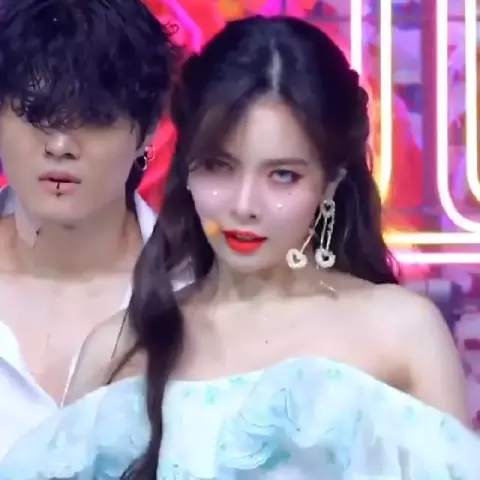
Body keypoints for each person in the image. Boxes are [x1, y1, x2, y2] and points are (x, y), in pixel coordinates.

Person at [1, 15, 479, 479]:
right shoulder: (120, 347)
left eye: (283, 176)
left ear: (330, 181)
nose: (245, 205)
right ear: (187, 168)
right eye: (219, 167)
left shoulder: (402, 333)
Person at [0, 0, 176, 459]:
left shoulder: (199, 289)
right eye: (35, 113)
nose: (60, 145)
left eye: (94, 117)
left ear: (148, 129)